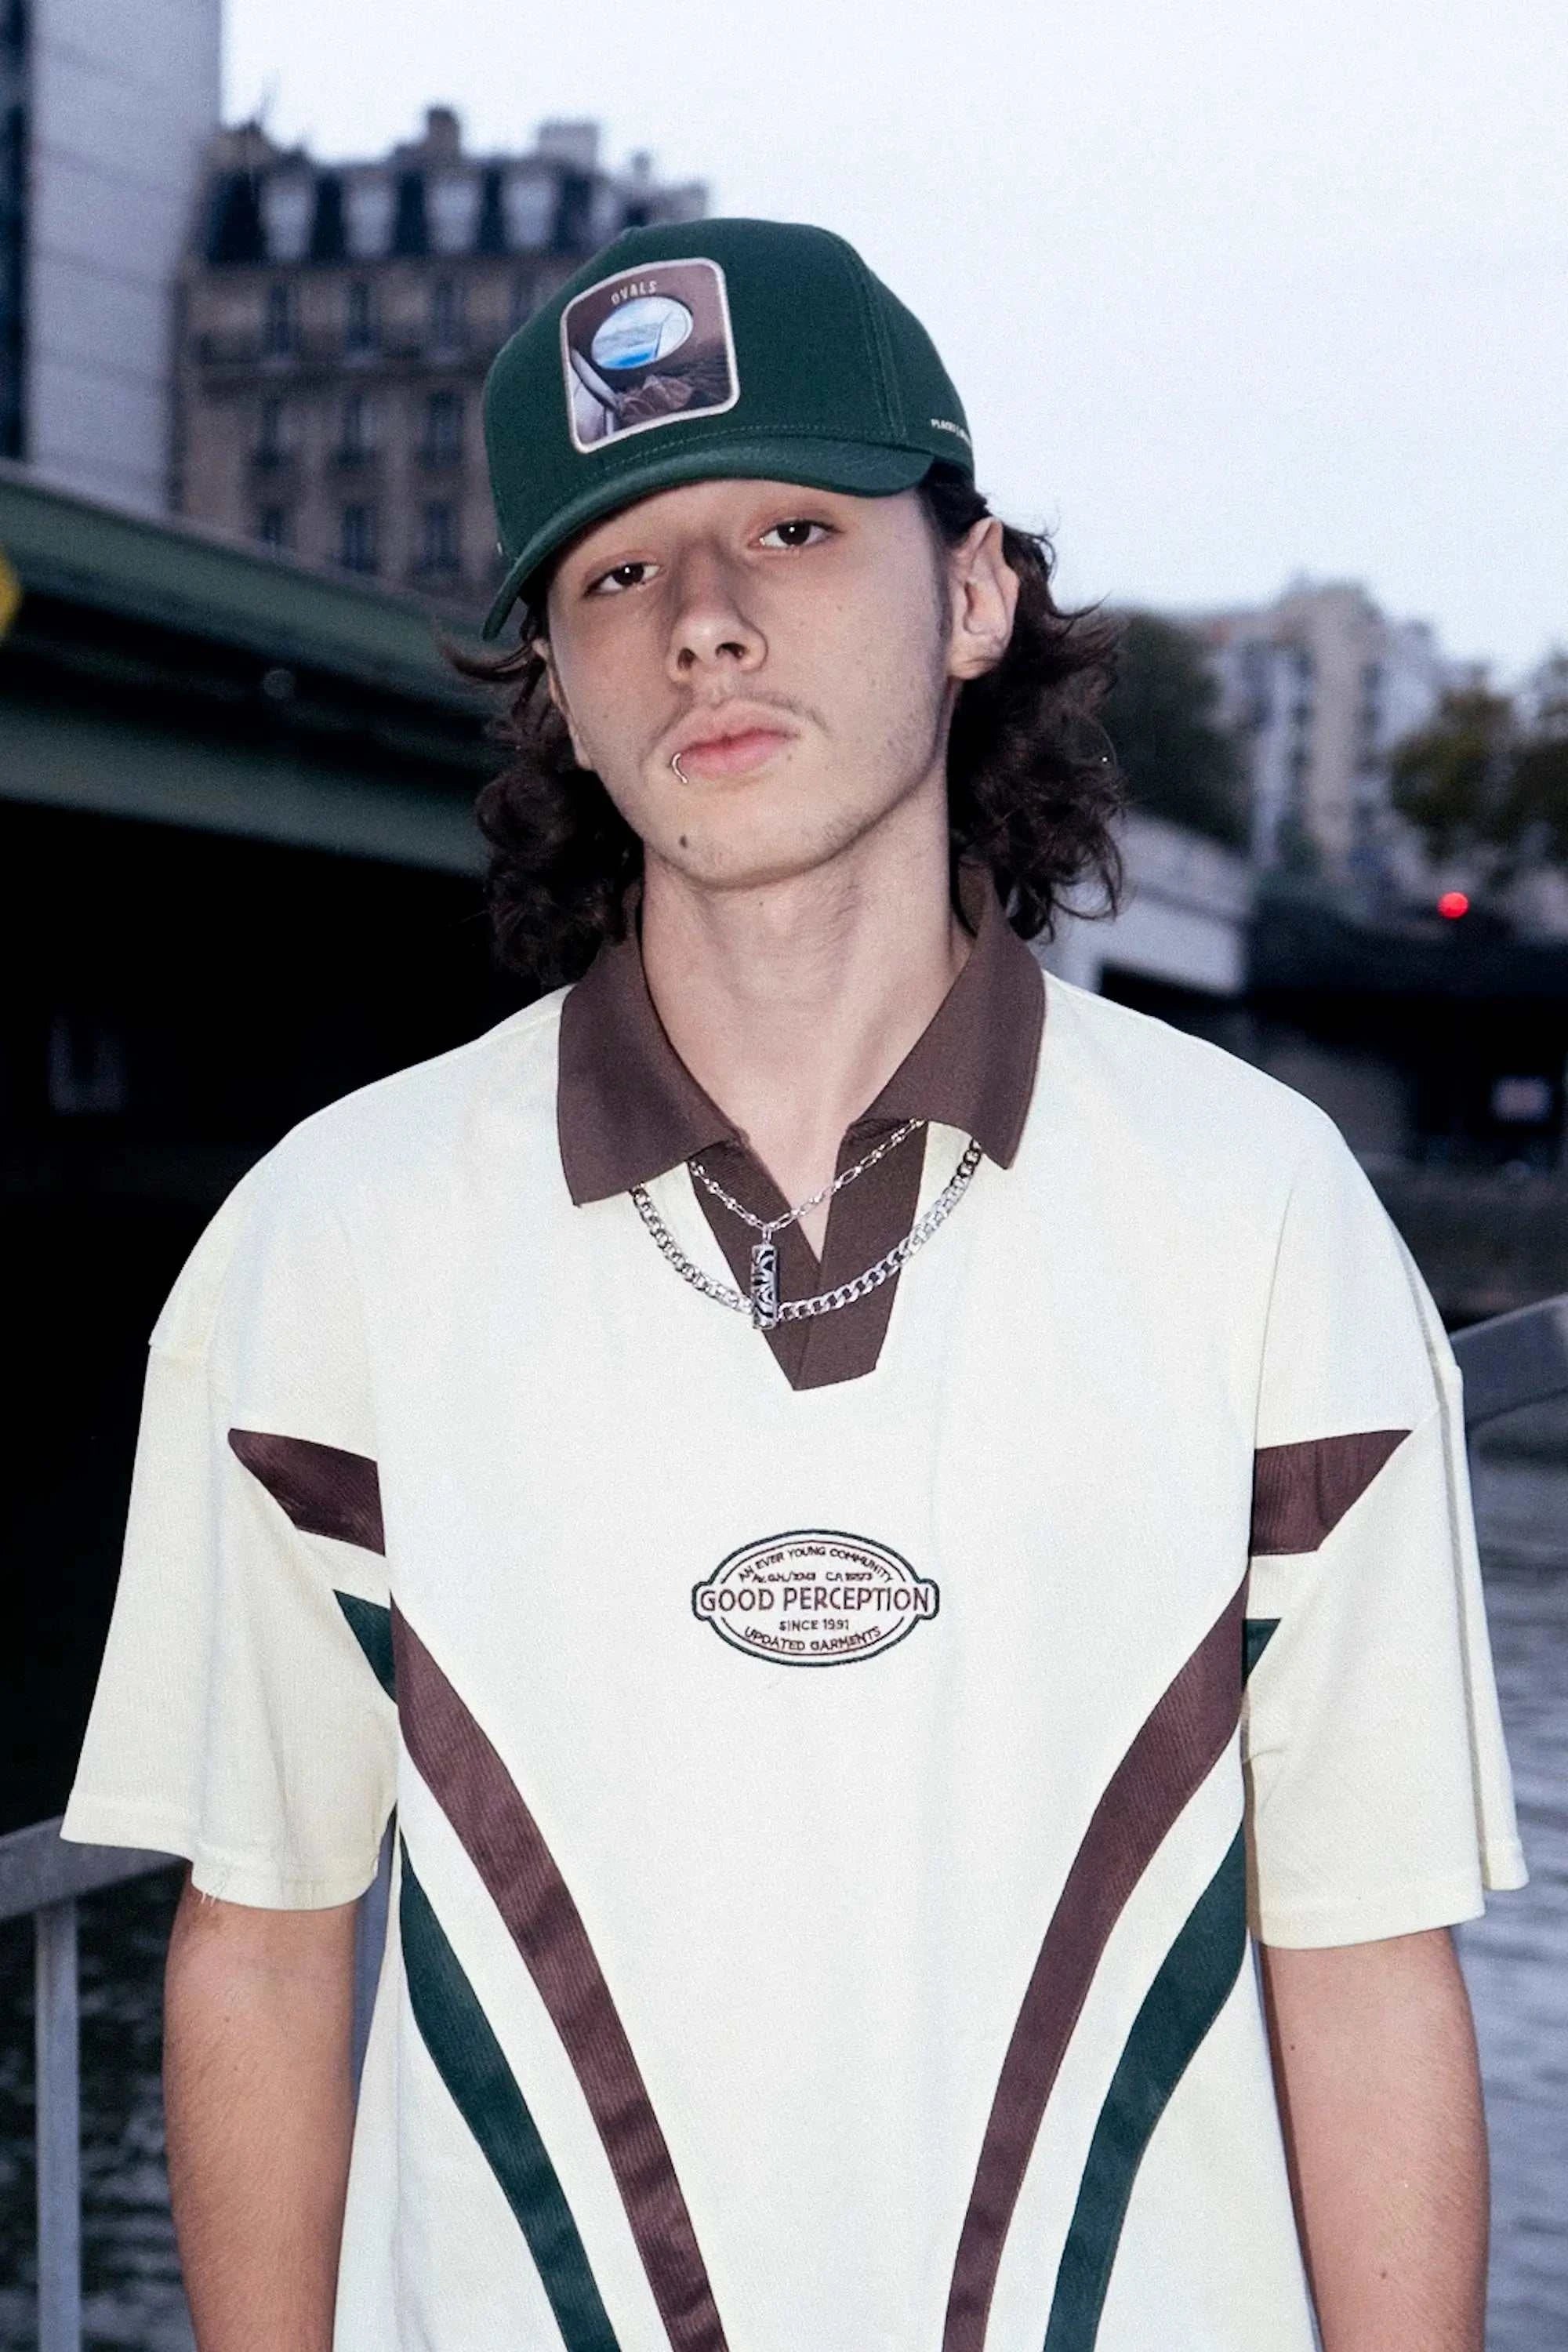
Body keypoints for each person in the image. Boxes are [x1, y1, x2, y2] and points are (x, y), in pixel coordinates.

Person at [62, 217, 1526, 2352]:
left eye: (795, 526)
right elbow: (266, 1938)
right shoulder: (329, 1245)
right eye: (617, 571)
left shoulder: (1265, 1217)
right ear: (557, 680)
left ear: (973, 591)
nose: (709, 624)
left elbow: (1367, 1956)